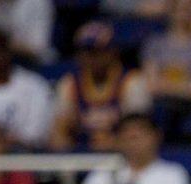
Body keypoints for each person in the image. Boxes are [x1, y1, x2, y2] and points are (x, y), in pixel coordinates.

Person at [50, 21, 152, 152]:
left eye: (96, 52)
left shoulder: (131, 82)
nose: (89, 58)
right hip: (81, 153)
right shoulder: (69, 84)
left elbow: (139, 132)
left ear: (112, 51)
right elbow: (57, 132)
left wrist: (112, 144)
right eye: (84, 52)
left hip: (122, 156)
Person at [141, 0, 191, 132]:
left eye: (190, 9)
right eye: (180, 9)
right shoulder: (154, 44)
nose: (185, 14)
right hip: (158, 105)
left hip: (190, 106)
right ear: (171, 11)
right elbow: (152, 85)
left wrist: (167, 86)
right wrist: (183, 86)